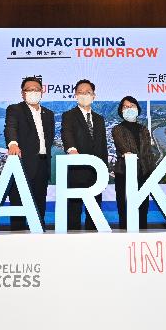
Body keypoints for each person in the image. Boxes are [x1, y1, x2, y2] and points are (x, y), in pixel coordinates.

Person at [4, 76, 55, 230]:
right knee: (18, 204)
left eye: (36, 89)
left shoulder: (49, 113)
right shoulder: (15, 109)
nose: (33, 92)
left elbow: (50, 137)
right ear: (22, 93)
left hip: (42, 165)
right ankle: (17, 236)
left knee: (39, 206)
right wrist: (13, 143)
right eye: (29, 90)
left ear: (42, 92)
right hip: (22, 163)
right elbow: (10, 127)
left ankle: (40, 236)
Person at [61, 79, 109, 231]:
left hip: (96, 172)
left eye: (88, 92)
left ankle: (93, 241)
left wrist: (104, 170)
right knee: (74, 211)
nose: (84, 95)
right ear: (75, 95)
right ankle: (72, 240)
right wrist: (72, 150)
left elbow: (103, 146)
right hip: (77, 170)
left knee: (94, 212)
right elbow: (67, 134)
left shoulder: (99, 119)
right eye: (80, 92)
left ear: (93, 95)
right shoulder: (68, 115)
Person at [111, 96, 157, 230]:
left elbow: (148, 152)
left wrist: (152, 172)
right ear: (121, 111)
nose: (129, 109)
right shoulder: (117, 129)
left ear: (137, 109)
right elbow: (123, 147)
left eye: (132, 106)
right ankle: (124, 235)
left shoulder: (144, 129)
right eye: (125, 107)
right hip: (124, 173)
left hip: (143, 173)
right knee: (124, 207)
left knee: (143, 207)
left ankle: (142, 235)